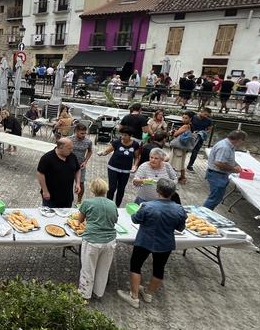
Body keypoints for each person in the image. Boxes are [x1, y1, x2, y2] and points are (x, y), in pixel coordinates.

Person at [117, 178, 186, 308]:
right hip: (165, 243)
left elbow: (135, 219)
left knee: (136, 266)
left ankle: (134, 296)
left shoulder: (148, 206)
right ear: (172, 193)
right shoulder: (179, 209)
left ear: (157, 191)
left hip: (145, 241)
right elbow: (180, 228)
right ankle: (148, 293)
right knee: (159, 269)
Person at [76, 178, 118, 301]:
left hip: (92, 240)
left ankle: (84, 294)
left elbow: (80, 221)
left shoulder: (87, 203)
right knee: (103, 269)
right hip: (110, 241)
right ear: (105, 189)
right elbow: (115, 220)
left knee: (88, 269)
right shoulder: (112, 203)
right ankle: (98, 293)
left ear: (93, 190)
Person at [97, 126, 140, 207]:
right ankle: (108, 205)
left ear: (130, 136)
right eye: (122, 135)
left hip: (125, 170)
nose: (123, 137)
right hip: (113, 168)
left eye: (125, 135)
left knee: (121, 189)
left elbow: (137, 157)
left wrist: (135, 166)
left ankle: (117, 207)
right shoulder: (117, 142)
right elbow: (107, 151)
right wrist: (102, 153)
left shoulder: (135, 144)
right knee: (112, 188)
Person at [203, 130, 246, 210]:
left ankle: (204, 215)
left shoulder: (229, 145)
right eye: (242, 141)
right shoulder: (224, 147)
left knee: (215, 198)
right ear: (239, 140)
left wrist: (236, 164)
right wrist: (234, 169)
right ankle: (202, 217)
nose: (241, 143)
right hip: (217, 175)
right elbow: (219, 163)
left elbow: (227, 159)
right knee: (214, 199)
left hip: (219, 175)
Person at [37, 138, 81, 208]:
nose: (71, 150)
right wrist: (45, 191)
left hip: (67, 198)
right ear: (60, 147)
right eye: (69, 148)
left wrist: (78, 183)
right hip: (51, 198)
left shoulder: (72, 156)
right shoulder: (47, 158)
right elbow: (40, 174)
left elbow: (78, 170)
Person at [68, 123, 93, 203]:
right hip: (69, 165)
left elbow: (90, 151)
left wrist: (85, 162)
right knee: (67, 183)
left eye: (85, 133)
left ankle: (79, 201)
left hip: (80, 166)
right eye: (81, 133)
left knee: (81, 184)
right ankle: (68, 198)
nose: (84, 135)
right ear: (76, 131)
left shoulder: (88, 142)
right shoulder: (69, 139)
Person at [169, 111, 195, 185]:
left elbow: (175, 134)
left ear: (190, 118)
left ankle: (178, 177)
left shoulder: (185, 126)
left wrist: (174, 132)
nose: (183, 119)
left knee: (175, 162)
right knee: (181, 162)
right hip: (183, 147)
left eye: (186, 118)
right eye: (183, 117)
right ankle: (182, 178)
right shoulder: (190, 126)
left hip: (179, 146)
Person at [186, 108, 213, 172]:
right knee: (184, 150)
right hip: (190, 136)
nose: (205, 116)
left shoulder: (209, 121)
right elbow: (187, 124)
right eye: (205, 114)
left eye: (207, 115)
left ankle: (190, 165)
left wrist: (204, 132)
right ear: (201, 111)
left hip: (200, 138)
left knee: (195, 152)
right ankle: (179, 164)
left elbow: (209, 129)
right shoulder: (193, 117)